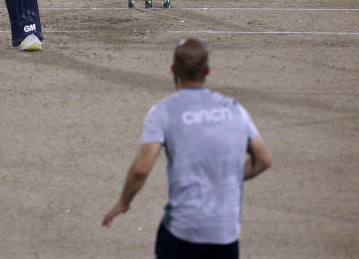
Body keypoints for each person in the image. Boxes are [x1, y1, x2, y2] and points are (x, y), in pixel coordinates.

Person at [102, 37, 272, 258]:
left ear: (173, 69)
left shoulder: (163, 112)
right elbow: (264, 160)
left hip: (183, 231)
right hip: (225, 233)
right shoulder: (234, 109)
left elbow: (141, 169)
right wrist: (224, 175)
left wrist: (123, 202)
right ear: (207, 71)